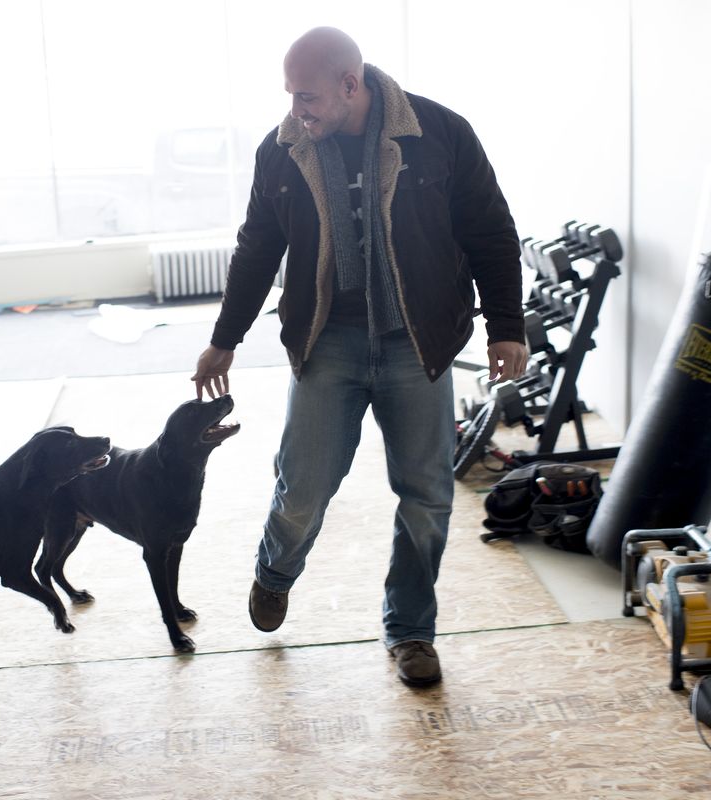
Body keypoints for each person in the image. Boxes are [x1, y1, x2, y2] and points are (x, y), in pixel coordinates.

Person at [191, 26, 528, 686]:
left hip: (417, 340)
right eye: (289, 96)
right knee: (303, 488)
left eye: (307, 96)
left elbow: (491, 230)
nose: (297, 110)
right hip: (328, 341)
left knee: (426, 495)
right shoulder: (283, 150)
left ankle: (410, 631)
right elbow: (257, 246)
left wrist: (506, 326)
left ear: (351, 85)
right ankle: (275, 571)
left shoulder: (440, 134)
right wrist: (223, 338)